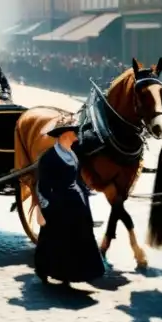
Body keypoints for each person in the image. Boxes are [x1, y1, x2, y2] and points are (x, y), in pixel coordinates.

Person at [33, 121, 105, 286]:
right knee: (52, 237)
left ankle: (73, 272)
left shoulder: (72, 154)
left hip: (76, 203)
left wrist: (84, 193)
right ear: (65, 135)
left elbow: (76, 178)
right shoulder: (48, 157)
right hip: (58, 204)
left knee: (79, 237)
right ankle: (43, 268)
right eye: (73, 132)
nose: (75, 135)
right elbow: (43, 185)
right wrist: (46, 207)